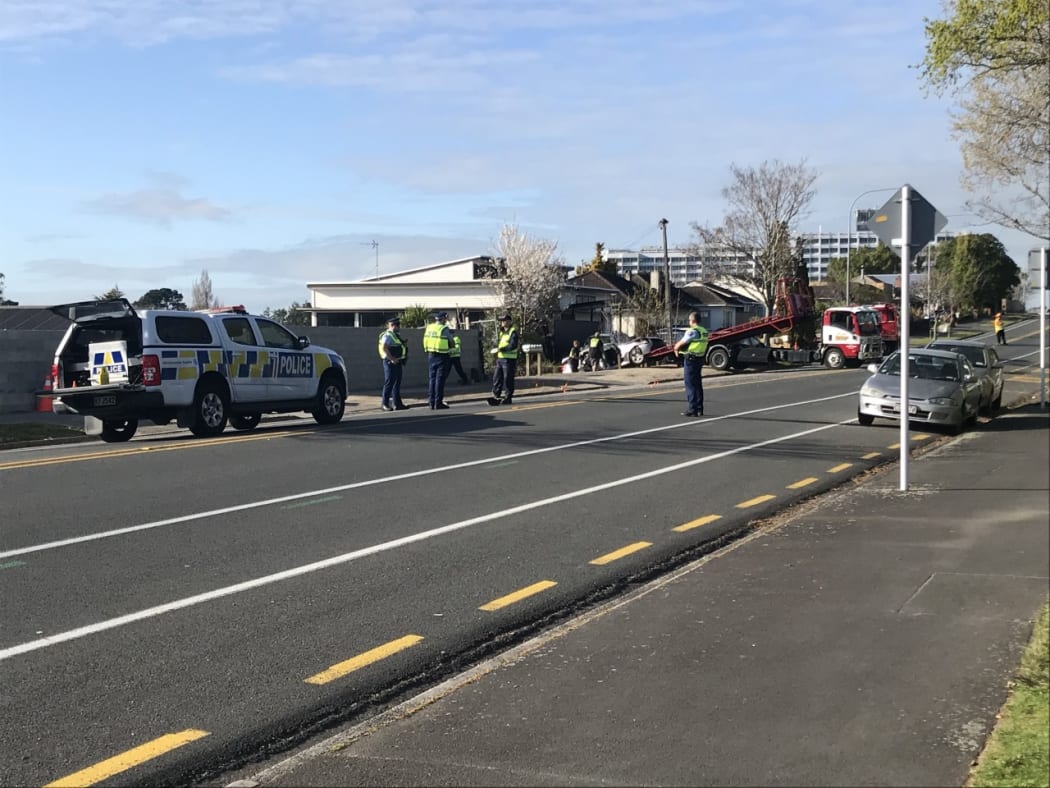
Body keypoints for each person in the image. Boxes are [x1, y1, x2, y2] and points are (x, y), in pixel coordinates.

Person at [673, 310, 709, 417]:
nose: (689, 322)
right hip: (699, 359)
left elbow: (683, 341)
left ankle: (692, 409)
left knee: (690, 384)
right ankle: (699, 409)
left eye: (689, 320)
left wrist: (676, 348)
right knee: (698, 384)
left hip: (690, 359)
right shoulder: (704, 331)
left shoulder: (693, 331)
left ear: (693, 320)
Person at [423, 311, 454, 409]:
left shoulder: (429, 327)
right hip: (442, 356)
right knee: (439, 380)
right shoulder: (443, 328)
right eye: (446, 318)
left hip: (431, 355)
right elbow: (451, 341)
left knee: (432, 379)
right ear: (443, 319)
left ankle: (431, 402)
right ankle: (438, 402)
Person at [378, 316, 409, 411]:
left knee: (397, 383)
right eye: (397, 325)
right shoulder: (387, 335)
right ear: (391, 325)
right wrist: (391, 359)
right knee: (389, 382)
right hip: (390, 362)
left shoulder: (395, 335)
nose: (399, 327)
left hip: (397, 361)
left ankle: (397, 404)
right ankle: (385, 404)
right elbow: (384, 347)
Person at [490, 312, 519, 405]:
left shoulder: (513, 332)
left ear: (509, 321)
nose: (503, 322)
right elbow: (499, 343)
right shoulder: (501, 332)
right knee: (497, 378)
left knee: (508, 379)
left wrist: (502, 349)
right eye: (501, 321)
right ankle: (496, 396)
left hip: (509, 359)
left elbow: (513, 345)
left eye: (504, 320)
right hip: (500, 358)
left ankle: (508, 397)